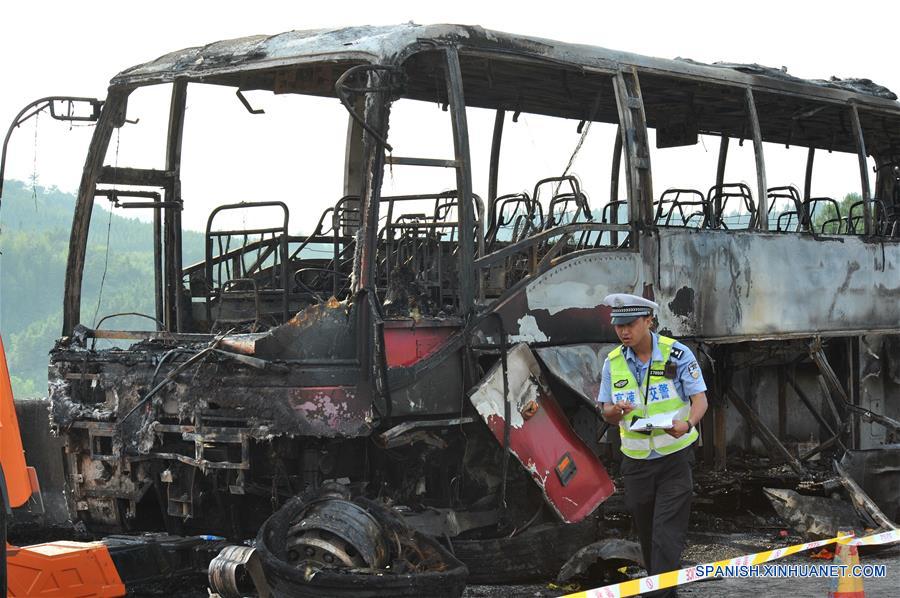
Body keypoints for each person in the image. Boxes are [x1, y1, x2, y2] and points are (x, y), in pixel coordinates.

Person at [597, 293, 708, 598]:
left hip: (675, 458)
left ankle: (657, 594)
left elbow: (700, 399)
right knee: (647, 535)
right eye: (618, 326)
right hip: (635, 463)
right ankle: (663, 591)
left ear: (649, 321)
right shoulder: (614, 362)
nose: (624, 332)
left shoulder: (677, 354)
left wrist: (688, 424)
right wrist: (614, 411)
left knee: (665, 533)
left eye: (630, 324)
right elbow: (605, 411)